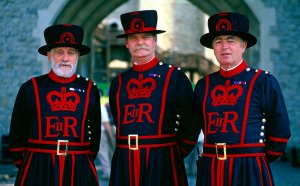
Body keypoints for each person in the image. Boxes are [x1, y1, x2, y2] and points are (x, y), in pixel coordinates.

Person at [194, 12, 291, 186]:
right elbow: (194, 124)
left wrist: (255, 158)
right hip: (211, 167)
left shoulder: (263, 81)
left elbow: (280, 128)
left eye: (231, 41)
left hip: (249, 167)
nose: (225, 47)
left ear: (243, 45)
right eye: (218, 41)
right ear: (213, 48)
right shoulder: (203, 85)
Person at [108, 10, 201, 186]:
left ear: (155, 40)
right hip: (125, 160)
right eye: (134, 38)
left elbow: (192, 121)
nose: (140, 42)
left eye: (146, 37)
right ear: (127, 43)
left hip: (163, 160)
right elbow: (118, 120)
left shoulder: (174, 77)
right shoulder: (119, 82)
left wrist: (173, 153)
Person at [9, 24, 101, 186]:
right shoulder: (31, 87)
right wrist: (27, 164)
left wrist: (83, 159)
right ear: (49, 56)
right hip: (38, 165)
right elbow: (17, 130)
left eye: (71, 53)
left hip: (78, 165)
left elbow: (95, 131)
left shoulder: (89, 88)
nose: (65, 58)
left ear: (77, 56)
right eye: (59, 52)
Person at [97, 90, 115, 179]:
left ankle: (108, 173)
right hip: (100, 133)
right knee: (104, 152)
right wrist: (111, 136)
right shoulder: (101, 106)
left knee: (103, 152)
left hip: (97, 133)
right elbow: (106, 123)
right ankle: (108, 172)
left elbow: (106, 123)